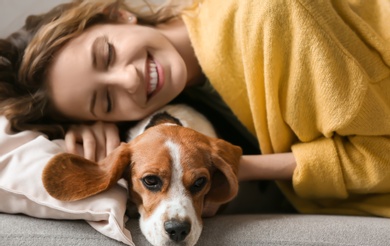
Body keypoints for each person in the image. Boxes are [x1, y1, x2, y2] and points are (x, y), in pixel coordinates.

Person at [1, 0, 390, 217]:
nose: (129, 80)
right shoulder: (177, 109)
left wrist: (226, 164)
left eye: (107, 54)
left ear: (117, 14)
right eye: (105, 101)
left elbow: (382, 157)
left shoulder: (272, 16)